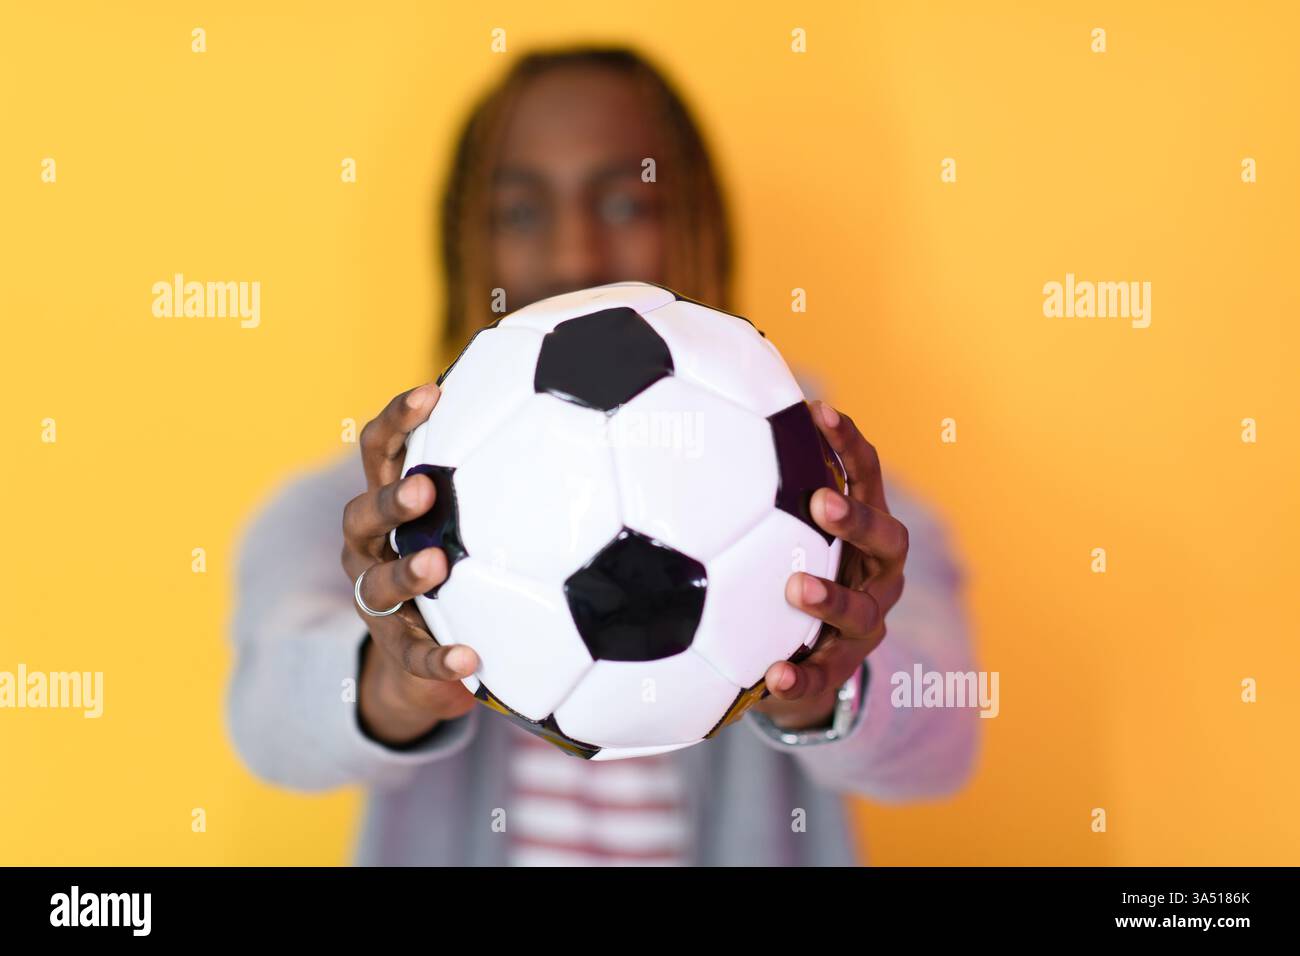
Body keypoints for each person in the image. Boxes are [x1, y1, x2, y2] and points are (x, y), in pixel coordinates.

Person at [227, 46, 978, 866]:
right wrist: (390, 684)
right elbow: (267, 721)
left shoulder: (831, 498)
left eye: (626, 204)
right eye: (519, 213)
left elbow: (947, 738)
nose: (574, 258)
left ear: (705, 230)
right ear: (459, 250)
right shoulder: (364, 514)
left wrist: (829, 689)